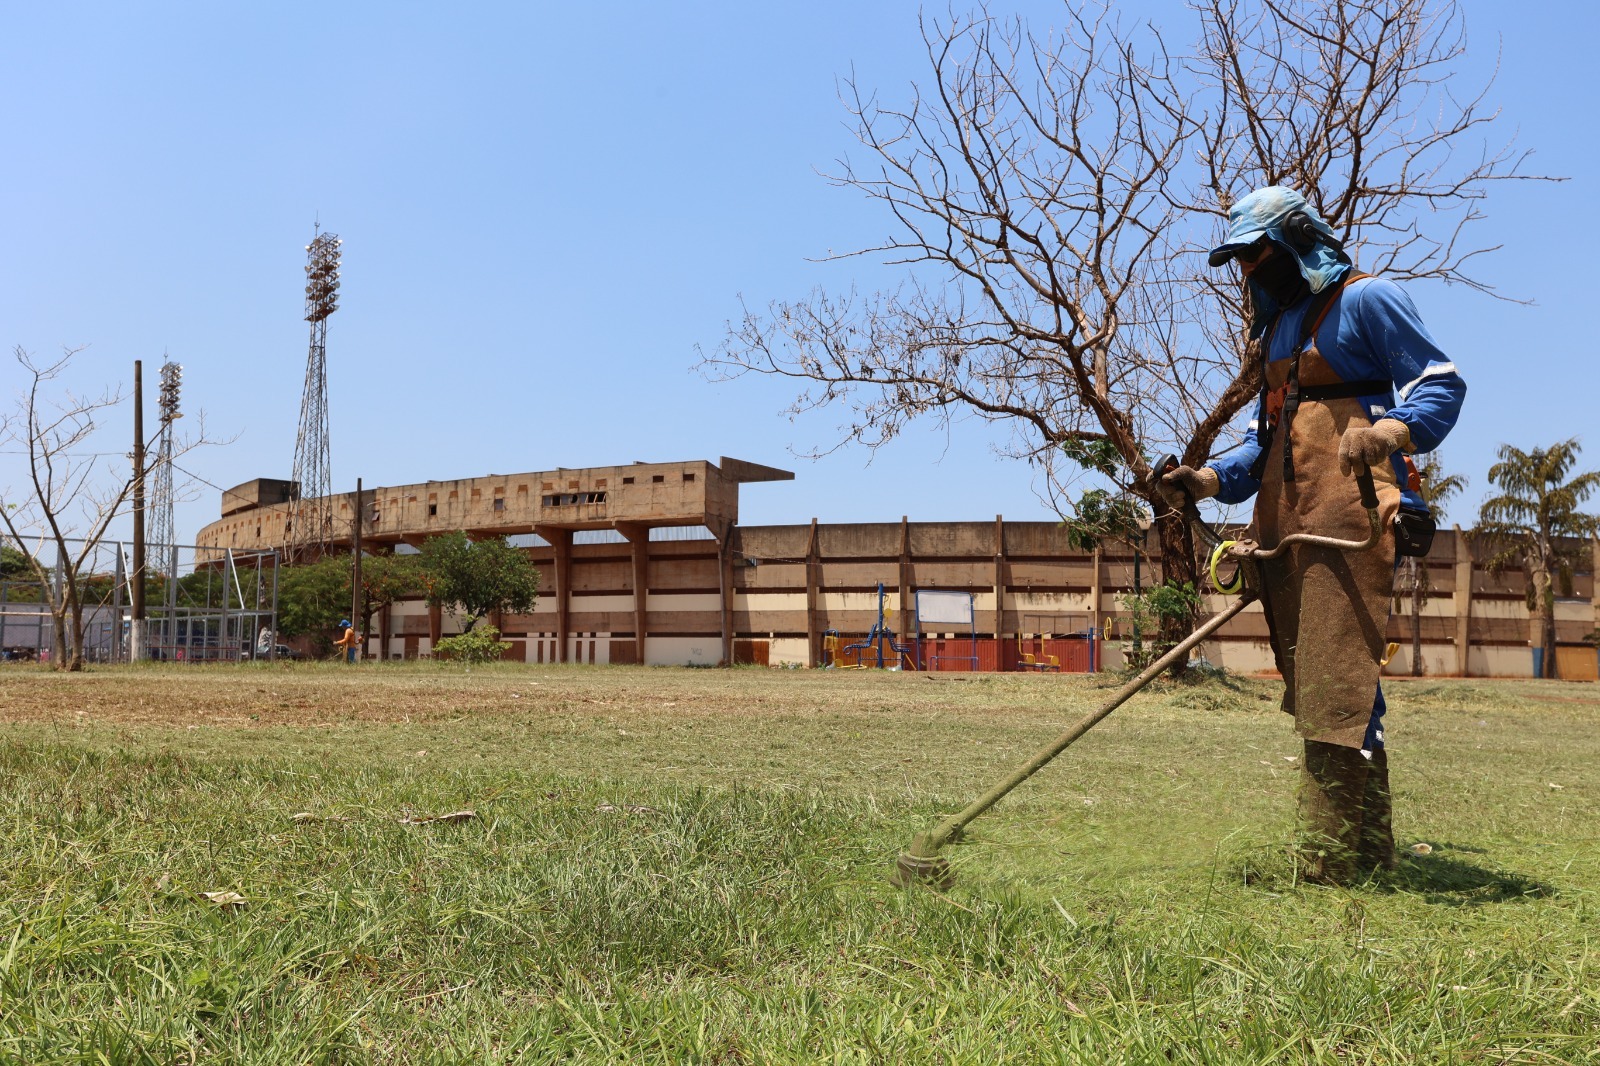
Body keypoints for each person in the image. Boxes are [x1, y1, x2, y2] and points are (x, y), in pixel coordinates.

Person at [1157, 186, 1466, 884]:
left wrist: (1391, 427)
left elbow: (1441, 383)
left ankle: (1331, 861)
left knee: (1339, 681)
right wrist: (1207, 480)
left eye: (1254, 254)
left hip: (1352, 518)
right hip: (1291, 524)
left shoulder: (1367, 299)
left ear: (1295, 239)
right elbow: (1267, 440)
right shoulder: (1280, 331)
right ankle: (1364, 854)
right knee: (1323, 685)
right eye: (1238, 260)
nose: (1246, 272)